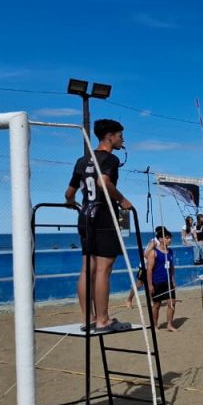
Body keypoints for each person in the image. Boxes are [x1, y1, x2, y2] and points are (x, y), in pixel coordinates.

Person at [64, 119, 133, 333]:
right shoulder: (110, 159)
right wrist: (122, 199)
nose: (123, 140)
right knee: (104, 269)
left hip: (85, 216)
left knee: (87, 269)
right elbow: (104, 182)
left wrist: (71, 203)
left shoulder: (82, 160)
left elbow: (69, 193)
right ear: (110, 136)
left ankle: (88, 319)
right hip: (103, 215)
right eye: (120, 136)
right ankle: (103, 320)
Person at [146, 226, 177, 331]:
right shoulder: (153, 252)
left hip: (168, 282)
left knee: (172, 303)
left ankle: (169, 325)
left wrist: (173, 280)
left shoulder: (170, 251)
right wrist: (150, 285)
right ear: (160, 239)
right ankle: (154, 325)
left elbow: (172, 267)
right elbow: (149, 270)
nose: (169, 239)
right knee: (156, 305)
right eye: (167, 237)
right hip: (157, 282)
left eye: (170, 237)